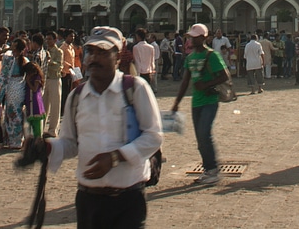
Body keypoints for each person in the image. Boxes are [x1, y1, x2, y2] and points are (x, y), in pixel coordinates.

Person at [44, 26, 163, 227]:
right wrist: (48, 148)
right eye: (90, 51)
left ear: (117, 58)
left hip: (128, 199)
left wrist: (116, 157)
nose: (94, 58)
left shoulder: (135, 88)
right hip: (88, 199)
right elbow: (70, 144)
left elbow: (153, 136)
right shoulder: (77, 96)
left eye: (103, 52)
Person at [172, 22, 230, 185]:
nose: (192, 40)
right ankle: (208, 169)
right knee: (200, 137)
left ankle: (213, 170)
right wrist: (177, 102)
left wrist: (205, 84)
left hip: (210, 100)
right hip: (196, 102)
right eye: (191, 37)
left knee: (205, 133)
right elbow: (185, 81)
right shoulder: (190, 57)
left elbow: (224, 76)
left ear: (204, 38)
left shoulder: (211, 55)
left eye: (195, 37)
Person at [0, 36, 29, 149]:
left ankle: (14, 140)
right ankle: (17, 139)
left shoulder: (10, 60)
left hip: (12, 86)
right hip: (19, 87)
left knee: (13, 114)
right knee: (17, 113)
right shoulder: (24, 60)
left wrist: (7, 50)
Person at [42, 31, 63, 138]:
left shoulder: (58, 52)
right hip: (45, 80)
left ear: (55, 40)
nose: (47, 41)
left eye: (50, 39)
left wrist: (49, 61)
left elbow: (59, 66)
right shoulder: (44, 51)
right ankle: (41, 128)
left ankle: (52, 130)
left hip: (55, 79)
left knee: (55, 106)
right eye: (46, 39)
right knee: (44, 105)